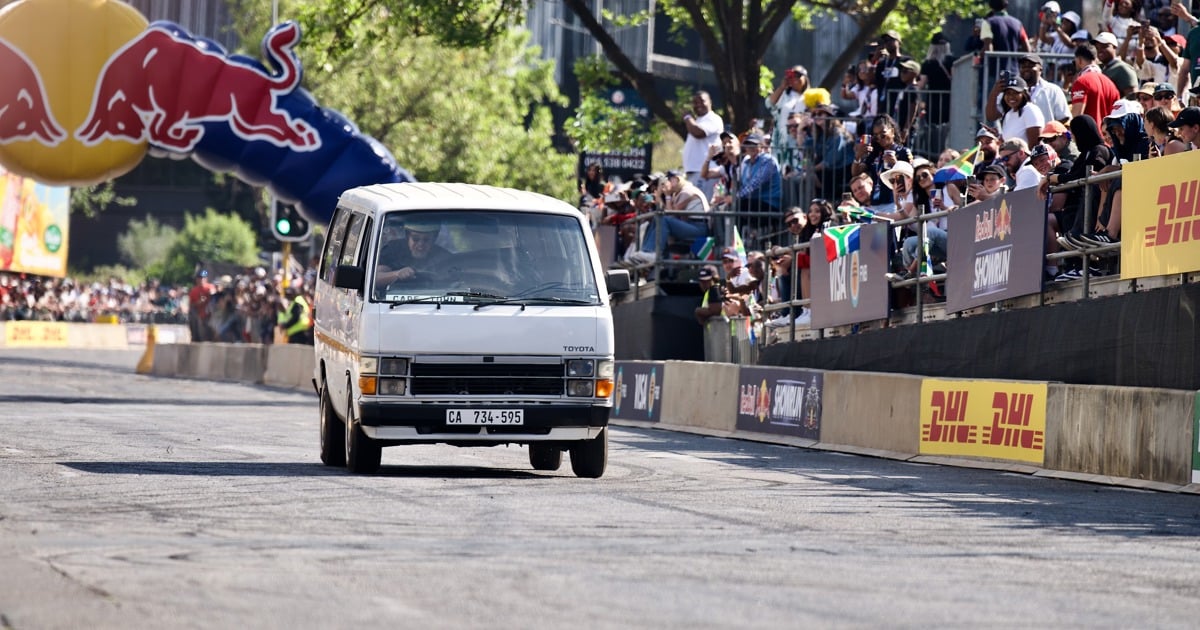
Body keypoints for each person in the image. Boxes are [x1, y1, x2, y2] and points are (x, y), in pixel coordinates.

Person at [642, 170, 710, 259]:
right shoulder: (679, 193)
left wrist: (667, 195)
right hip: (690, 225)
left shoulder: (687, 191)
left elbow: (671, 215)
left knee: (664, 220)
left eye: (669, 180)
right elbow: (668, 212)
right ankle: (646, 251)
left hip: (698, 228)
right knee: (657, 219)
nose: (667, 183)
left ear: (676, 179)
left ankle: (652, 252)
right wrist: (659, 197)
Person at [375, 219, 452, 290]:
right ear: (408, 237)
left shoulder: (444, 256)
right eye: (415, 239)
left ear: (434, 239)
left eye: (426, 240)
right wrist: (397, 274)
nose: (420, 244)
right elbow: (376, 278)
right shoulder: (392, 250)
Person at [681, 91, 724, 197]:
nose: (698, 104)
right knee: (695, 207)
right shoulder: (698, 120)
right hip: (695, 172)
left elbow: (698, 133)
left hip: (706, 172)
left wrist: (687, 117)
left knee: (703, 209)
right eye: (695, 102)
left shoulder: (713, 119)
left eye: (702, 101)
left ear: (710, 102)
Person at [729, 133, 782, 216]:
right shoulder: (746, 163)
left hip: (768, 203)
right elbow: (742, 184)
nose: (750, 147)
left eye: (754, 144)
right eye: (748, 144)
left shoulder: (768, 160)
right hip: (753, 201)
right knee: (725, 206)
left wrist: (734, 197)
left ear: (762, 146)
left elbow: (755, 185)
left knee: (735, 206)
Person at [767, 65, 810, 162]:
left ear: (805, 78)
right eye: (792, 77)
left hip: (800, 137)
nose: (795, 79)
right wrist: (782, 87)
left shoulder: (809, 96)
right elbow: (770, 104)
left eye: (798, 76)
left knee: (798, 162)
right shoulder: (784, 95)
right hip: (782, 137)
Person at [987, 75, 1046, 146]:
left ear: (1024, 93)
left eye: (1016, 93)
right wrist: (998, 136)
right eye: (1008, 93)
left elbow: (1035, 145)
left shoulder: (1030, 110)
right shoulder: (1009, 113)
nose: (1011, 96)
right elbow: (1009, 143)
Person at [1070, 43, 1122, 122]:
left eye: (1075, 61)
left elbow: (1077, 118)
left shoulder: (1081, 82)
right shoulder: (1111, 84)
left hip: (1087, 134)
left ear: (1079, 60)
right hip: (1106, 133)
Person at [1017, 53, 1070, 124]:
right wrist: (996, 92)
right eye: (1023, 67)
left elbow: (1064, 117)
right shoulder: (1013, 91)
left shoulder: (1053, 90)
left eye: (1030, 66)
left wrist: (1048, 132)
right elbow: (998, 114)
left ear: (1040, 69)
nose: (1026, 69)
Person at [1093, 32, 1140, 97]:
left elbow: (1133, 99)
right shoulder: (1100, 69)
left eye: (1104, 46)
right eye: (1097, 48)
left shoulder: (1123, 69)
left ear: (1114, 47)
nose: (1100, 50)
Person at [187, 269, 215, 342]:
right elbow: (191, 305)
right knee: (199, 334)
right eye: (200, 278)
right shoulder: (194, 290)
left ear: (206, 279)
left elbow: (213, 295)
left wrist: (210, 294)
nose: (201, 280)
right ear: (197, 279)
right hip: (199, 315)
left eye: (203, 278)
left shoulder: (210, 287)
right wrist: (198, 303)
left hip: (209, 315)